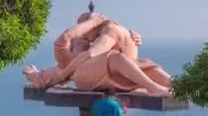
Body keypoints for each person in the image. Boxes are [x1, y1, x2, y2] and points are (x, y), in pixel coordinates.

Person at [23, 11, 171, 96]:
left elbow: (91, 54)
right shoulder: (68, 52)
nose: (86, 38)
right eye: (82, 36)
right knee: (114, 58)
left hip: (117, 76)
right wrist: (41, 76)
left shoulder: (109, 31)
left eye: (85, 33)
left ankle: (178, 87)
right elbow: (66, 45)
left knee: (147, 65)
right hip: (97, 76)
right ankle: (153, 87)